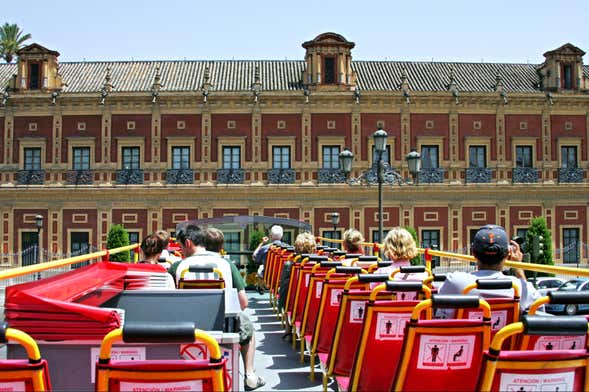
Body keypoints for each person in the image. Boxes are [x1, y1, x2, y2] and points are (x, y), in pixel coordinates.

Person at [203, 227, 266, 391]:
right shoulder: (226, 265)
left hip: (189, 326)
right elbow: (243, 303)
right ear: (221, 246)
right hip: (222, 324)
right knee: (247, 327)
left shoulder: (181, 265)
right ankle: (250, 374)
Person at [437, 224, 541, 318]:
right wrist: (518, 267)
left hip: (466, 339)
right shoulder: (520, 288)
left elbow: (438, 307)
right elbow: (537, 310)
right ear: (508, 254)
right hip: (506, 338)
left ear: (473, 253)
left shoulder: (455, 281)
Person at [279, 232, 316, 340]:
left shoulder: (290, 266)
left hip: (296, 306)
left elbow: (284, 291)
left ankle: (288, 329)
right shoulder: (320, 267)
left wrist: (281, 305)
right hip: (315, 307)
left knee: (285, 292)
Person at [252, 225, 287, 294]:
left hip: (268, 276)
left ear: (270, 236)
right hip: (283, 276)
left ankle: (261, 286)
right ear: (282, 236)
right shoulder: (287, 249)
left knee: (261, 267)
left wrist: (262, 243)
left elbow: (254, 257)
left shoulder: (265, 248)